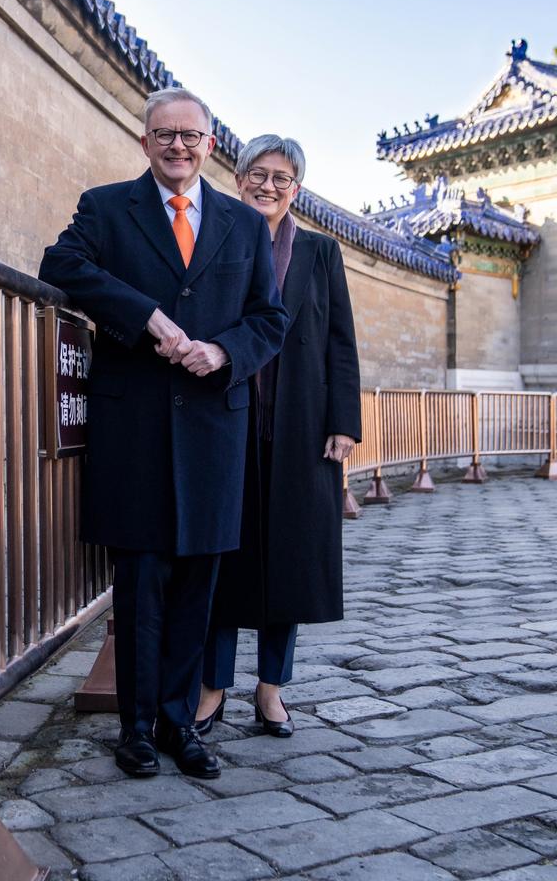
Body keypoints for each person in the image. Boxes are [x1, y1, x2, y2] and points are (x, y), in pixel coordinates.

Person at [38, 91, 287, 778]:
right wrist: (145, 317)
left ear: (211, 146)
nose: (178, 146)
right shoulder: (107, 207)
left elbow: (270, 319)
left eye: (192, 136)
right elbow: (59, 266)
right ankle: (137, 729)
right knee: (141, 584)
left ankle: (182, 725)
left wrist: (224, 352)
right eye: (164, 134)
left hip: (213, 430)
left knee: (198, 589)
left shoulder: (243, 224)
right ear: (144, 141)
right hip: (136, 428)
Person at [195, 134, 361, 737]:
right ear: (237, 178)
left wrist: (344, 421)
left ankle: (271, 691)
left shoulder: (320, 253)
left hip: (300, 431)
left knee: (288, 565)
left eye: (281, 178)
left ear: (297, 188)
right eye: (257, 174)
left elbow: (340, 339)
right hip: (227, 423)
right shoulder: (216, 240)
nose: (268, 186)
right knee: (221, 559)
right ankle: (212, 689)